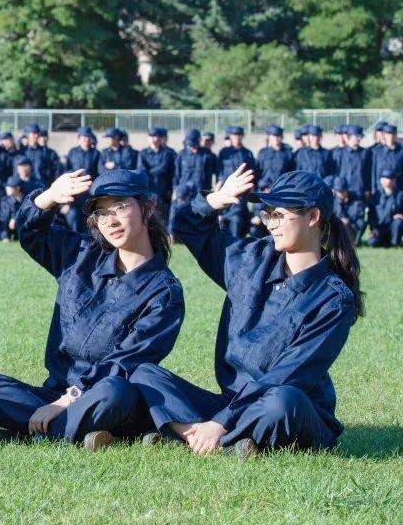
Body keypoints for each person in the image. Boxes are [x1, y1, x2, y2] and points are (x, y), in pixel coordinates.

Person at [133, 167, 363, 457]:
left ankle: (200, 433)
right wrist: (218, 199)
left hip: (286, 405)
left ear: (313, 217)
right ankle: (211, 438)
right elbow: (187, 226)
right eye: (267, 214)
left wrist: (220, 421)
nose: (270, 224)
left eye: (278, 215)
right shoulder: (251, 259)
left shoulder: (333, 299)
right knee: (144, 374)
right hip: (232, 402)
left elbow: (289, 375)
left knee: (282, 400)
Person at [0, 169, 183, 451]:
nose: (111, 220)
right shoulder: (80, 256)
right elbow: (31, 233)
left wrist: (69, 399)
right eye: (102, 212)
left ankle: (29, 435)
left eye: (120, 206)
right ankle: (73, 432)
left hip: (106, 393)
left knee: (114, 393)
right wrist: (49, 197)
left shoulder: (165, 292)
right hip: (53, 392)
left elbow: (126, 363)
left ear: (148, 206)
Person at [137, 127, 176, 214]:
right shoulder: (143, 153)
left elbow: (169, 170)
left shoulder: (168, 153)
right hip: (148, 189)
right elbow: (141, 171)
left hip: (164, 190)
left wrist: (174, 189)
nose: (153, 139)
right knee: (148, 216)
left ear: (161, 138)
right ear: (148, 138)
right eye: (151, 136)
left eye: (156, 136)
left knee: (164, 216)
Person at [367, 169, 403, 247]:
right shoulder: (376, 196)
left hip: (392, 228)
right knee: (371, 243)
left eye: (387, 178)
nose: (384, 180)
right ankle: (384, 241)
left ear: (393, 180)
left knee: (398, 222)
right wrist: (373, 228)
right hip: (379, 229)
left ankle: (394, 243)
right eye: (383, 178)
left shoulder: (400, 195)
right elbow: (371, 214)